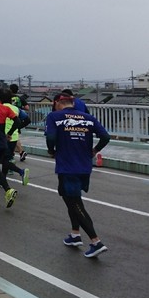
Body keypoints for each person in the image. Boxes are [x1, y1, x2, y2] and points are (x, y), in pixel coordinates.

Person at [46, 91, 111, 258]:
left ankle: (96, 242)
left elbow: (51, 136)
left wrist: (51, 150)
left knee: (75, 203)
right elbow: (105, 136)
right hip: (84, 166)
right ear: (72, 103)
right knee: (70, 198)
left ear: (57, 103)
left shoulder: (54, 116)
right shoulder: (87, 118)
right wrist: (95, 150)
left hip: (67, 165)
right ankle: (75, 234)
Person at [0, 89, 30, 186]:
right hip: (14, 137)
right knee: (6, 158)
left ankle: (21, 171)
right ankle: (1, 180)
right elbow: (27, 119)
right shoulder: (16, 109)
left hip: (3, 136)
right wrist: (17, 128)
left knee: (2, 160)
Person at [9, 83, 30, 161]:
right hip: (18, 118)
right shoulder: (20, 98)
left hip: (9, 119)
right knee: (15, 135)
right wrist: (20, 108)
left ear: (10, 89)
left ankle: (17, 152)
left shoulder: (7, 98)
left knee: (12, 136)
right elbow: (27, 108)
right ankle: (19, 152)